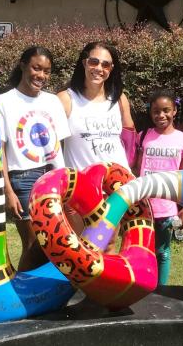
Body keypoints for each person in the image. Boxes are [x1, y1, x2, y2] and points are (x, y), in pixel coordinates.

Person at [0, 46, 71, 271]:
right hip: (24, 178)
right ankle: (21, 295)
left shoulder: (52, 101)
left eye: (46, 71)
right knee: (33, 244)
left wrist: (64, 180)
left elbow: (59, 144)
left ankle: (42, 295)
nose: (41, 76)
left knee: (53, 243)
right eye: (36, 68)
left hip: (53, 177)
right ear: (23, 66)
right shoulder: (3, 102)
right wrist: (8, 191)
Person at [58, 41, 135, 235]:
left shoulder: (119, 99)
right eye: (94, 62)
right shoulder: (65, 99)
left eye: (105, 64)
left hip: (115, 191)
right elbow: (52, 148)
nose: (99, 68)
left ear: (111, 69)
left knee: (107, 247)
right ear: (84, 63)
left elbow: (129, 139)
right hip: (80, 193)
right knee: (81, 250)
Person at [135, 89, 183, 285]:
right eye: (156, 111)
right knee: (140, 252)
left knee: (162, 252)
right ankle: (140, 288)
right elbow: (136, 169)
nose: (161, 115)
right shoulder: (143, 136)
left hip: (167, 207)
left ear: (175, 111)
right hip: (142, 205)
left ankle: (160, 293)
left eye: (166, 110)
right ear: (150, 112)